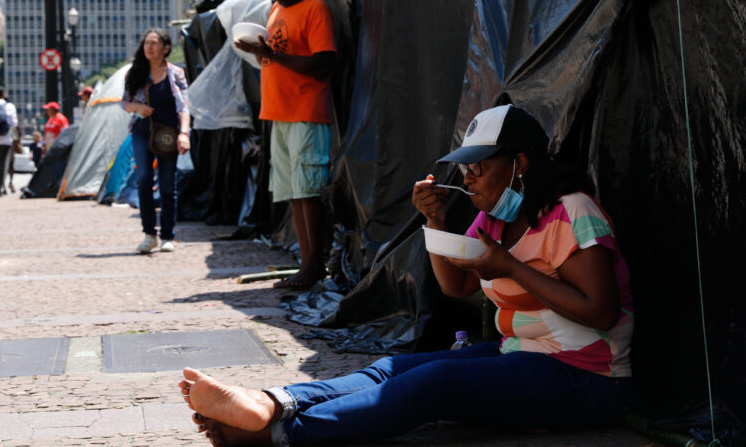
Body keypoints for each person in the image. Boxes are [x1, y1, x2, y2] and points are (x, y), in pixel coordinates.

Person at [177, 105, 634, 447]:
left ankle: (276, 436)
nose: (468, 178)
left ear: (520, 164)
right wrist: (435, 223)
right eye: (465, 168)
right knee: (389, 367)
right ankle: (273, 402)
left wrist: (512, 268)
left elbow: (602, 311)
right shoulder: (492, 218)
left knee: (434, 384)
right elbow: (456, 286)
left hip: (588, 378)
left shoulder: (571, 211)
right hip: (519, 352)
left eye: (479, 166)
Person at [234, 0, 337, 290]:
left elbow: (323, 65)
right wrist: (261, 53)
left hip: (306, 111)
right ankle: (306, 263)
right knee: (294, 191)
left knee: (308, 190)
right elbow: (274, 55)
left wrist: (269, 55)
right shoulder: (277, 8)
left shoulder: (315, 9)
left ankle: (313, 266)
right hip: (279, 112)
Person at [122, 27, 191, 254]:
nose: (149, 47)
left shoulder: (176, 73)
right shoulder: (135, 73)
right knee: (143, 178)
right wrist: (138, 107)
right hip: (142, 131)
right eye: (146, 43)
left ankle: (168, 235)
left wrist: (184, 133)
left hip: (168, 134)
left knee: (168, 185)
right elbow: (125, 103)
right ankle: (149, 234)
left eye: (154, 43)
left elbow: (184, 107)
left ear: (166, 48)